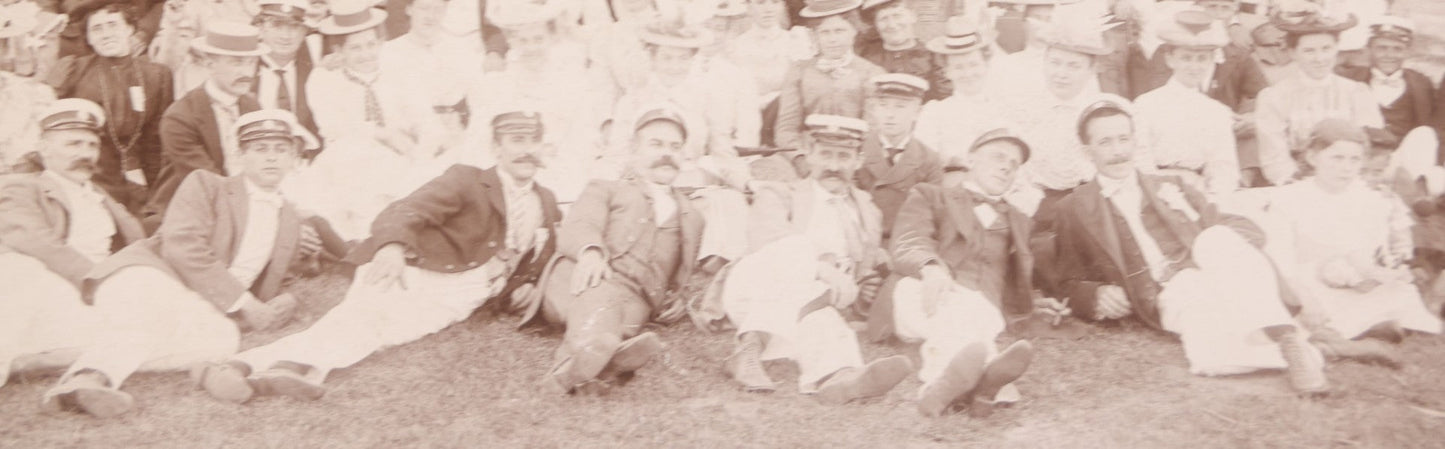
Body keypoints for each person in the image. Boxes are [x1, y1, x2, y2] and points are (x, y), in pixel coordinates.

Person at [195, 110, 562, 403]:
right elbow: (404, 210)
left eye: (533, 141)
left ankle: (262, 370)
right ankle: (248, 368)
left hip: (462, 299)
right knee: (367, 321)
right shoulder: (468, 179)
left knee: (384, 334)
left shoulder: (545, 200)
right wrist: (391, 247)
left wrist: (524, 283)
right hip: (415, 268)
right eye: (516, 141)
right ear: (497, 148)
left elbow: (534, 256)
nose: (526, 150)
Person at [42, 109, 318, 418]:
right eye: (260, 149)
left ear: (293, 158)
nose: (271, 159)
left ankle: (199, 370)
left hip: (201, 304)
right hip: (148, 275)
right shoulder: (207, 185)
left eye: (281, 150)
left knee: (224, 338)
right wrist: (244, 303)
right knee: (161, 310)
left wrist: (287, 300)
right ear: (241, 155)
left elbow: (282, 275)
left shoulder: (290, 217)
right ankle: (88, 377)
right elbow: (182, 246)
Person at [1052, 98, 1328, 396]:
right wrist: (1095, 293)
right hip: (1170, 293)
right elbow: (1068, 278)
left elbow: (1242, 228)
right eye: (1105, 142)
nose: (1118, 151)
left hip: (1217, 269)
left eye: (1124, 139)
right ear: (1087, 151)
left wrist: (1229, 251)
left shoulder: (1172, 184)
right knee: (1210, 360)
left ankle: (1284, 335)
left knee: (1215, 238)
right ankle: (1302, 352)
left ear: (1135, 140)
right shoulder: (1074, 207)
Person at [718, 114, 912, 404]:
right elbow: (768, 243)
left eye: (844, 156)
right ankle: (749, 348)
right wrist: (821, 267)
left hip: (808, 304)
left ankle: (840, 378)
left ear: (858, 160)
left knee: (824, 320)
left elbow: (861, 273)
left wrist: (866, 287)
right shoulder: (778, 193)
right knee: (795, 247)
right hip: (753, 291)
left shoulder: (867, 211)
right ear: (809, 155)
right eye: (825, 155)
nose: (834, 166)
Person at [518, 108, 705, 395]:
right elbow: (581, 223)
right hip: (582, 278)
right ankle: (568, 368)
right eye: (656, 144)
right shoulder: (606, 188)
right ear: (634, 150)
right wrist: (590, 251)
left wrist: (677, 299)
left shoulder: (692, 216)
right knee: (600, 298)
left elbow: (678, 272)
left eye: (675, 147)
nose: (666, 153)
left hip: (636, 301)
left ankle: (602, 363)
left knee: (623, 320)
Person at [889, 128, 1039, 417]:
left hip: (983, 312)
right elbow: (909, 239)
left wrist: (1039, 300)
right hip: (923, 295)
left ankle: (940, 390)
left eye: (1014, 163)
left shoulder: (1020, 221)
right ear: (971, 160)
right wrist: (930, 267)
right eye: (998, 156)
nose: (1007, 166)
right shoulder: (931, 195)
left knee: (974, 311)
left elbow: (1024, 276)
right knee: (958, 305)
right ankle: (988, 381)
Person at [0, 99, 145, 387]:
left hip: (97, 300)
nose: (85, 153)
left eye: (92, 145)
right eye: (73, 144)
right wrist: (98, 282)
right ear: (44, 147)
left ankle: (37, 362)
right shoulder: (21, 185)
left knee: (216, 336)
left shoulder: (102, 195)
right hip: (51, 291)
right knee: (17, 266)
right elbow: (35, 242)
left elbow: (138, 247)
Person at [1265, 119, 1441, 346]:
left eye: (1354, 160)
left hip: (1356, 287)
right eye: (1337, 158)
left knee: (1399, 293)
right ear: (1312, 158)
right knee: (1299, 315)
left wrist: (1384, 273)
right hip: (1305, 285)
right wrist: (1305, 300)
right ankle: (1356, 334)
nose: (1346, 168)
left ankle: (1362, 332)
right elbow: (1280, 263)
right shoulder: (1288, 199)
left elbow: (1371, 256)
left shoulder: (1371, 200)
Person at [288, 0, 448, 241]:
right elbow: (335, 129)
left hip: (405, 154)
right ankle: (368, 237)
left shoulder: (399, 70)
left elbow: (424, 117)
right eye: (355, 48)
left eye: (371, 45)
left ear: (381, 43)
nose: (366, 54)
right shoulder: (324, 79)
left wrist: (422, 152)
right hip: (348, 159)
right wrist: (382, 134)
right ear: (338, 51)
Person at [142, 23, 284, 231]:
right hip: (188, 213)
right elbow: (209, 184)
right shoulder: (180, 116)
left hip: (243, 205)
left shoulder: (252, 105)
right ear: (209, 64)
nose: (246, 72)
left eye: (251, 62)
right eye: (236, 63)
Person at [44, 0, 174, 212]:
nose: (106, 35)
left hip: (137, 178)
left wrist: (154, 193)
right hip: (88, 174)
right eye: (97, 29)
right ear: (89, 38)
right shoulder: (73, 70)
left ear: (130, 28)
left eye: (113, 25)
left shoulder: (156, 75)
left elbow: (155, 141)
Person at [1254, 2, 1380, 186]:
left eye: (1326, 49)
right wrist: (1302, 187)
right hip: (1297, 186)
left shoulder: (1356, 92)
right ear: (1293, 53)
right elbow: (1274, 159)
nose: (1319, 59)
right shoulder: (1274, 97)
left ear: (1337, 48)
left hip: (1349, 182)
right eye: (1309, 51)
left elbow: (1370, 148)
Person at [1133, 8, 1241, 195]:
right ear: (1170, 59)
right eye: (1186, 58)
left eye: (1202, 59)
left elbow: (1224, 167)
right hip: (1155, 193)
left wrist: (1213, 195)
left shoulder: (1217, 112)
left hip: (1201, 194)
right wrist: (1159, 192)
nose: (1194, 66)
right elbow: (1140, 159)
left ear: (1211, 62)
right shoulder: (1145, 105)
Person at [773, 0, 885, 151]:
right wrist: (801, 160)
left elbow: (873, 129)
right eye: (825, 32)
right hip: (808, 154)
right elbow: (786, 128)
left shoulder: (872, 73)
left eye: (839, 31)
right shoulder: (799, 71)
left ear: (854, 31)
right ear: (815, 36)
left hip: (854, 155)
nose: (833, 39)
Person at [854, 73, 939, 239]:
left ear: (917, 112)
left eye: (900, 106)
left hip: (908, 242)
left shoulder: (929, 160)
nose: (890, 114)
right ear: (873, 110)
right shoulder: (857, 151)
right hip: (864, 239)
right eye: (883, 105)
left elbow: (932, 215)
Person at [1335, 17, 1436, 151]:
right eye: (1382, 48)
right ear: (1369, 49)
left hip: (1405, 159)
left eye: (1397, 49)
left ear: (1407, 52)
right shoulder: (1350, 80)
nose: (1389, 55)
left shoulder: (1422, 84)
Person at [727, 0, 813, 147]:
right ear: (748, 7)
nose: (768, 9)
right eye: (761, 3)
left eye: (775, 2)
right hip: (747, 122)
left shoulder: (796, 40)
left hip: (787, 120)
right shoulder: (736, 46)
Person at [912, 15, 996, 157]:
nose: (967, 73)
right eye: (958, 67)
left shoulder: (1002, 108)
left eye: (973, 64)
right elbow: (925, 165)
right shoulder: (934, 113)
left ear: (986, 64)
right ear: (947, 72)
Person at [253, 0, 322, 155]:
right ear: (260, 28)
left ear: (304, 32)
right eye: (277, 25)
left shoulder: (316, 75)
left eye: (294, 26)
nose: (286, 35)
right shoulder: (246, 73)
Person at [855, 0, 946, 101]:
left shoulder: (932, 57)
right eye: (883, 19)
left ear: (913, 16)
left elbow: (944, 99)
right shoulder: (866, 57)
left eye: (897, 16)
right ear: (875, 24)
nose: (892, 25)